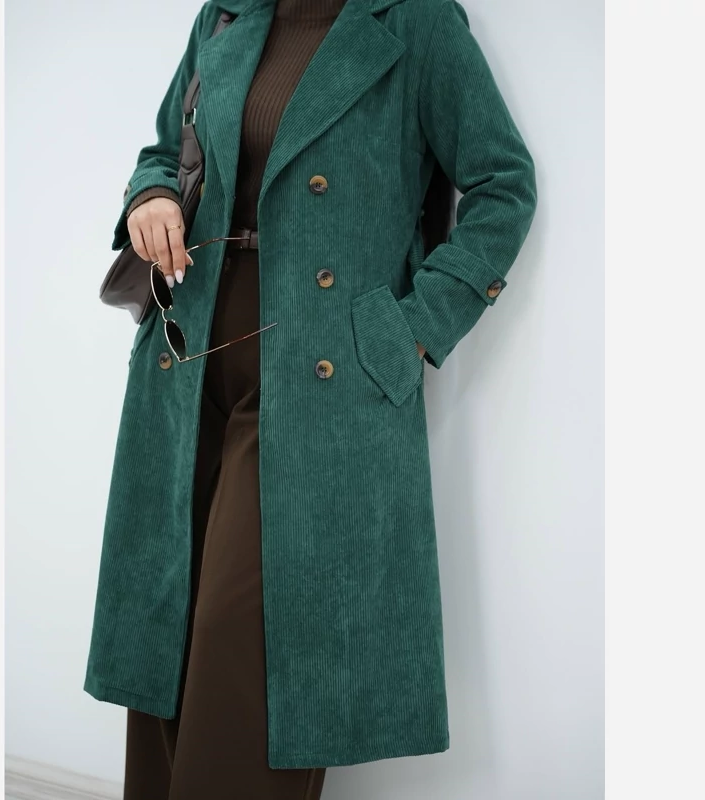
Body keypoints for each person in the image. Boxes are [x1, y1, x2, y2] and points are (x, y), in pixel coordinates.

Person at [84, 0, 538, 798]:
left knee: (249, 644)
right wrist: (150, 196)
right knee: (169, 628)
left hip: (325, 374)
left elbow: (504, 184)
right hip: (186, 350)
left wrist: (412, 330)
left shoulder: (415, 22)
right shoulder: (225, 14)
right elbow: (166, 148)